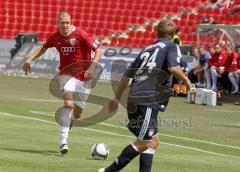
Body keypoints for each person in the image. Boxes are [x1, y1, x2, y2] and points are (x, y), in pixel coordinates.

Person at [98, 19, 191, 172]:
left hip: (136, 98)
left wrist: (116, 98)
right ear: (173, 35)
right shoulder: (172, 45)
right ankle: (108, 171)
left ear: (157, 33)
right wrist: (186, 80)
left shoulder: (146, 49)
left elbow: (126, 76)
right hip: (147, 99)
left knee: (153, 141)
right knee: (145, 142)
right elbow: (173, 68)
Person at [22, 11, 103, 154]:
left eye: (67, 22)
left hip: (84, 78)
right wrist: (29, 59)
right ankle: (63, 141)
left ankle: (69, 122)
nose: (65, 25)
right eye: (62, 23)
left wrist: (92, 67)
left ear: (71, 22)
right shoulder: (55, 37)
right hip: (66, 74)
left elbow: (99, 50)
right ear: (58, 23)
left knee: (78, 113)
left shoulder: (81, 34)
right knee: (68, 104)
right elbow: (43, 48)